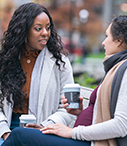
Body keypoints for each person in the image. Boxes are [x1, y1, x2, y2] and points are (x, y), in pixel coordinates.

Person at [2, 14, 127, 146]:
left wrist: (70, 132)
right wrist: (80, 112)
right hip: (88, 140)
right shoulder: (121, 68)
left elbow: (120, 126)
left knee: (20, 135)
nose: (103, 42)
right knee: (22, 135)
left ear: (119, 41)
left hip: (93, 143)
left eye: (107, 36)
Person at [0, 2, 75, 145]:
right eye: (38, 28)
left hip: (44, 130)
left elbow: (67, 108)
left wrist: (46, 126)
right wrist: (4, 132)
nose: (45, 33)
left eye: (48, 28)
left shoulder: (60, 62)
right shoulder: (5, 61)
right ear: (23, 30)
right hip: (8, 127)